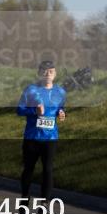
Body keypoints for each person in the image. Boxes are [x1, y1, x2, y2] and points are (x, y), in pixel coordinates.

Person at [16, 60, 67, 200]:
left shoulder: (60, 92)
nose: (48, 74)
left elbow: (61, 107)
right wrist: (34, 111)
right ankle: (25, 197)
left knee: (48, 170)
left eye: (51, 71)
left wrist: (61, 113)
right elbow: (19, 110)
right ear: (39, 73)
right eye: (44, 71)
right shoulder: (31, 89)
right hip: (32, 137)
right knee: (28, 169)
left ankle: (44, 203)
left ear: (55, 74)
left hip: (50, 138)